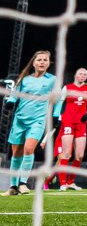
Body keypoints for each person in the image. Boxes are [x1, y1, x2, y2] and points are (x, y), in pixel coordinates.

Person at [2, 51, 56, 196]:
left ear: (48, 63)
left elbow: (58, 98)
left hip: (37, 121)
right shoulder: (24, 79)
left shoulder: (52, 80)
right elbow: (15, 95)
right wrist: (10, 102)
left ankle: (23, 183)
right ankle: (13, 187)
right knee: (16, 153)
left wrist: (56, 115)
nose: (42, 62)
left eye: (45, 60)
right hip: (19, 120)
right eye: (39, 60)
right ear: (34, 62)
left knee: (28, 149)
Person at [52, 67, 87, 191]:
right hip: (68, 121)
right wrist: (59, 118)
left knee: (80, 156)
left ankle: (71, 182)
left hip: (81, 123)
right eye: (80, 74)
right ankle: (63, 183)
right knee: (66, 153)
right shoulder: (67, 87)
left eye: (85, 74)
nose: (82, 76)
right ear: (76, 76)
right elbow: (60, 103)